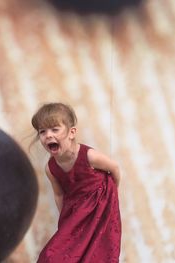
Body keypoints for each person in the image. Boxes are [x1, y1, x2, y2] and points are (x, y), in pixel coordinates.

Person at [31, 102, 122, 263]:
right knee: (51, 257)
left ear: (72, 132)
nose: (48, 135)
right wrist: (66, 221)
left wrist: (111, 196)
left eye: (54, 129)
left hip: (99, 209)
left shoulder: (89, 156)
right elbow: (59, 194)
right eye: (42, 132)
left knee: (96, 254)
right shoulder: (51, 168)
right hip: (76, 212)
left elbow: (114, 169)